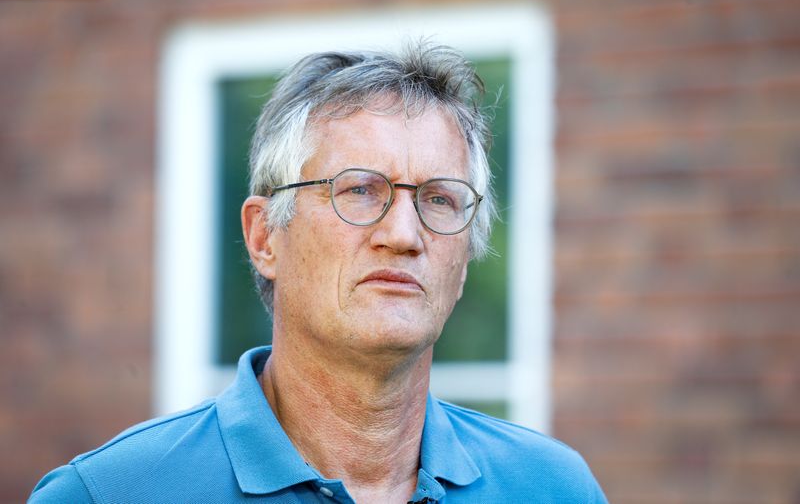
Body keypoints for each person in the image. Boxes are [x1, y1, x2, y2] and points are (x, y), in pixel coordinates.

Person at [30, 42, 607, 503]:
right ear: (264, 237)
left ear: (463, 266)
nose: (404, 235)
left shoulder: (554, 488)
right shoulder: (109, 494)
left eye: (438, 199)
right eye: (359, 189)